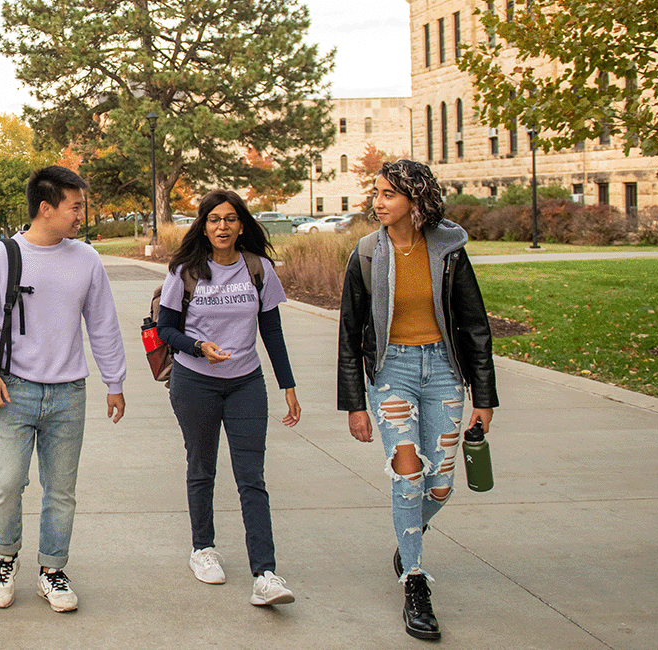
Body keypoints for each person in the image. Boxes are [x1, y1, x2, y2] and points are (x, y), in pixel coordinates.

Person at [0, 165, 127, 613]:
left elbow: (103, 324)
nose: (81, 214)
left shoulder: (87, 259)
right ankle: (4, 558)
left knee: (61, 489)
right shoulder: (0, 256)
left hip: (69, 392)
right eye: (75, 206)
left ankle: (53, 570)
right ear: (46, 208)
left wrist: (114, 381)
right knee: (7, 483)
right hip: (13, 389)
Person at [337, 160, 498, 641]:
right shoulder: (366, 254)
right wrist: (355, 404)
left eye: (388, 194)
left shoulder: (450, 251)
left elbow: (474, 325)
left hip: (444, 373)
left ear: (415, 200)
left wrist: (484, 396)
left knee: (441, 485)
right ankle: (415, 580)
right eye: (377, 193)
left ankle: (408, 537)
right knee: (409, 473)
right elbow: (349, 334)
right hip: (393, 374)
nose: (377, 202)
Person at [154, 189, 301, 607]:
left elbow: (271, 331)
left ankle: (266, 573)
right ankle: (203, 549)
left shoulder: (258, 269)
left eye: (230, 219)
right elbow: (164, 329)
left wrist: (287, 385)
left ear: (241, 224)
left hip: (245, 383)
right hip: (195, 381)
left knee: (251, 476)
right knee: (202, 467)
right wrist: (199, 347)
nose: (222, 226)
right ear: (203, 224)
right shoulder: (185, 270)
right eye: (214, 219)